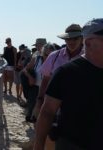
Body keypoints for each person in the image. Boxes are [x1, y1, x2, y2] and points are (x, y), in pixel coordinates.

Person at [33, 18, 103, 150]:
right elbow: (47, 109)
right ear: (88, 42)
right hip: (72, 141)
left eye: (75, 39)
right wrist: (39, 100)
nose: (71, 42)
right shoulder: (64, 69)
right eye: (68, 39)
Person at [23, 39, 51, 122]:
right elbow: (25, 69)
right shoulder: (36, 57)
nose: (37, 47)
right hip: (35, 86)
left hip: (47, 88)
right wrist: (30, 77)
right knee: (32, 104)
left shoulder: (54, 59)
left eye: (38, 45)